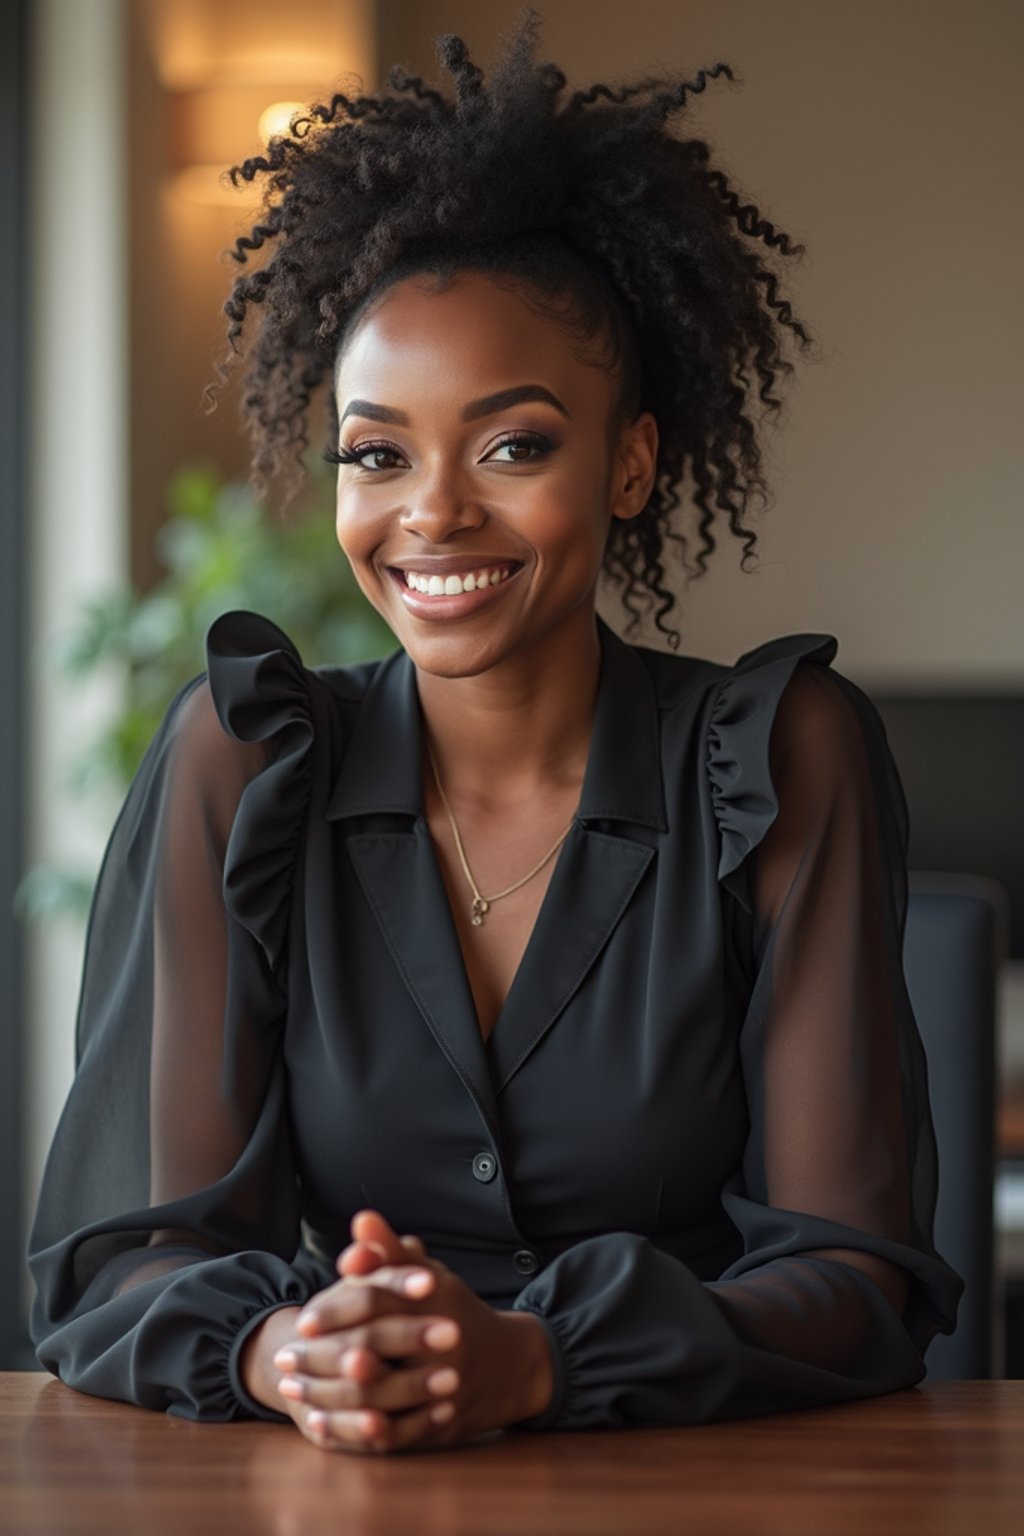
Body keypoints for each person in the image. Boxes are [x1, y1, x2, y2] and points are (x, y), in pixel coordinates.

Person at [28, 10, 962, 1455]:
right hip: (339, 1486)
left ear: (631, 463)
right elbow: (116, 1261)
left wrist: (542, 1361)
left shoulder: (783, 753)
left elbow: (861, 1284)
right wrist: (293, 1352)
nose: (434, 514)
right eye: (378, 454)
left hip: (698, 1491)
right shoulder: (243, 757)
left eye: (514, 444)